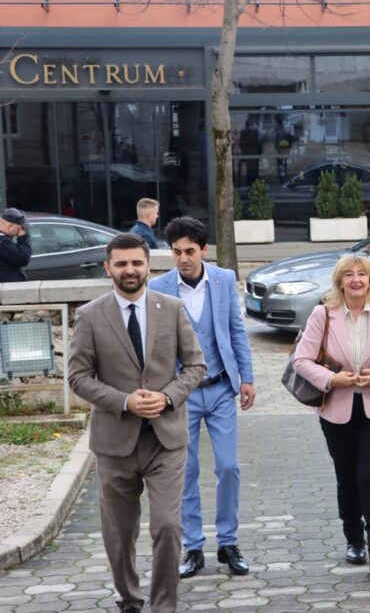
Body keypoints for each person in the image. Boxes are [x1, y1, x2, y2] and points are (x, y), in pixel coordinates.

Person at [68, 233, 205, 613]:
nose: (130, 270)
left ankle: (164, 605)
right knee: (120, 532)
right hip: (114, 443)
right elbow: (78, 376)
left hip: (166, 440)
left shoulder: (172, 308)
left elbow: (196, 365)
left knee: (167, 526)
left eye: (136, 263)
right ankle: (129, 598)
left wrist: (168, 396)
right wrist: (124, 401)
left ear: (148, 266)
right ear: (108, 268)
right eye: (122, 263)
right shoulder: (90, 315)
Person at [148, 216, 256, 579]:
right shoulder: (159, 287)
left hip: (222, 387)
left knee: (228, 467)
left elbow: (237, 331)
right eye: (176, 252)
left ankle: (229, 542)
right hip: (181, 394)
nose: (183, 258)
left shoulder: (223, 280)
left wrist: (247, 378)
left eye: (189, 251)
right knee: (186, 470)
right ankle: (193, 547)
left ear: (204, 250)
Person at [293, 254, 370, 572]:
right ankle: (354, 541)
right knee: (347, 477)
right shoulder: (323, 313)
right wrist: (333, 380)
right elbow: (301, 360)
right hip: (336, 409)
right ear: (339, 281)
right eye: (349, 275)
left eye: (362, 274)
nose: (356, 280)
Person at [0, 207, 32, 282]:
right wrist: (23, 237)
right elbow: (23, 258)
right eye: (21, 228)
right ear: (11, 226)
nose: (22, 231)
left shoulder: (4, 240)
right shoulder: (2, 242)